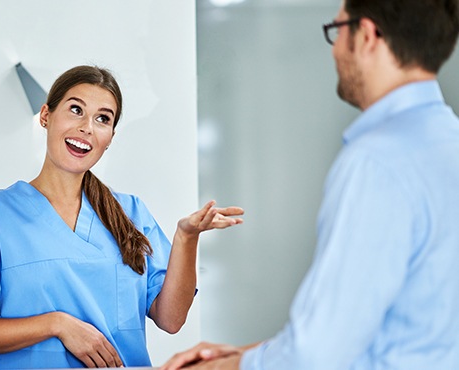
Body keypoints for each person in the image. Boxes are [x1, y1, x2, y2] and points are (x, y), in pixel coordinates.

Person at [162, 0, 459, 369]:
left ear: (365, 36)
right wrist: (244, 353)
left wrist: (222, 367)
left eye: (337, 31)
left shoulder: (377, 162)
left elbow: (317, 354)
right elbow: (389, 325)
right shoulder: (449, 143)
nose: (334, 49)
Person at [0, 65, 244, 369]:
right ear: (46, 116)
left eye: (102, 119)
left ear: (109, 137)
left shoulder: (131, 213)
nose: (87, 127)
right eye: (75, 110)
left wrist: (186, 238)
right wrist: (57, 325)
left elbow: (171, 318)